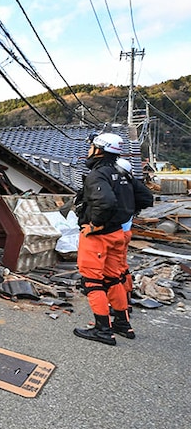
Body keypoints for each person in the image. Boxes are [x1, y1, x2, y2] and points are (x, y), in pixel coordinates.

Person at [73, 133, 139, 346]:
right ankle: (122, 323)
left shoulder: (98, 175)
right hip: (117, 233)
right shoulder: (121, 173)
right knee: (113, 278)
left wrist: (95, 225)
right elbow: (144, 197)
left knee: (92, 280)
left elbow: (106, 202)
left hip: (98, 237)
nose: (89, 151)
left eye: (92, 147)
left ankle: (103, 329)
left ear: (99, 149)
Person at [113, 157, 154, 320]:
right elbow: (147, 199)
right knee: (122, 267)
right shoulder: (133, 185)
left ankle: (118, 305)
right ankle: (126, 300)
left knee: (112, 271)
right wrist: (133, 211)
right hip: (126, 231)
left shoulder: (119, 186)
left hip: (115, 232)